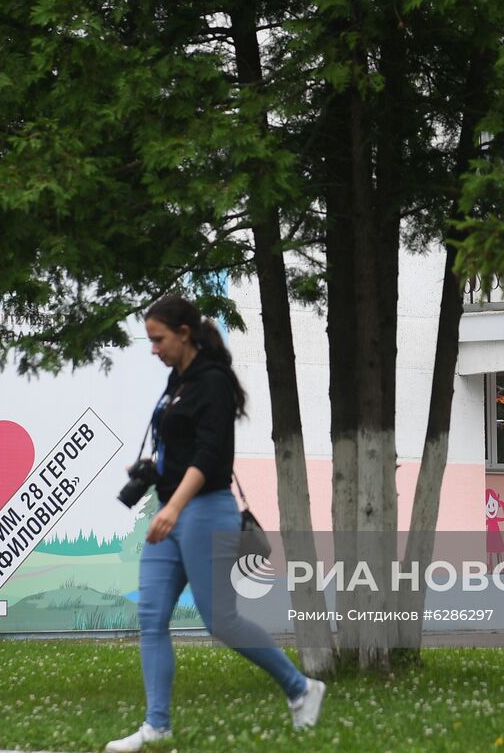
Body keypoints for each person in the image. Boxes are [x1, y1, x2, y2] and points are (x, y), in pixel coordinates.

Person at [105, 295, 326, 752]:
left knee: (220, 621)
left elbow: (209, 456)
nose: (153, 349)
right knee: (151, 616)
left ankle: (301, 688)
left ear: (183, 334)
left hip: (204, 511)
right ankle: (156, 726)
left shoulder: (213, 383)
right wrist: (151, 476)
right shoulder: (177, 382)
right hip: (172, 509)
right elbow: (180, 448)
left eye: (158, 339)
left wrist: (171, 507)